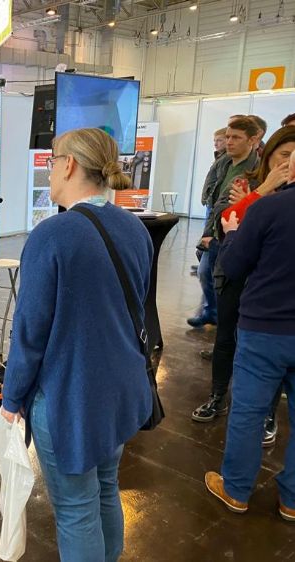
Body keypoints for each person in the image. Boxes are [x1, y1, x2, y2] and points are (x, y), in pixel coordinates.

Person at [1, 128, 152, 562]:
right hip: (121, 389)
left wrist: (12, 398)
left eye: (52, 161)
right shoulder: (135, 227)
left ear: (68, 165)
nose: (49, 171)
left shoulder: (52, 235)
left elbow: (29, 332)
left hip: (70, 397)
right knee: (105, 487)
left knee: (75, 508)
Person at [205, 149, 295, 521]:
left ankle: (237, 489)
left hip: (264, 329)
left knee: (248, 412)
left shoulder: (269, 208)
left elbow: (233, 264)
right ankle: (292, 500)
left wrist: (231, 235)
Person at [191, 126, 295, 437]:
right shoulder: (247, 180)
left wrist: (249, 203)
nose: (290, 162)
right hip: (236, 270)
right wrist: (264, 189)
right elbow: (226, 219)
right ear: (270, 154)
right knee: (225, 336)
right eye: (285, 154)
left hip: (272, 282)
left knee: (269, 352)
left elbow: (242, 218)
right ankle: (218, 396)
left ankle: (268, 414)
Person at [189, 117, 259, 328]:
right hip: (216, 227)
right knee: (205, 272)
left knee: (227, 279)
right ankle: (212, 312)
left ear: (252, 140)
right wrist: (208, 231)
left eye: (236, 137)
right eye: (227, 137)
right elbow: (214, 199)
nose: (229, 142)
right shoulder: (223, 163)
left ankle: (226, 320)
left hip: (237, 232)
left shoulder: (257, 168)